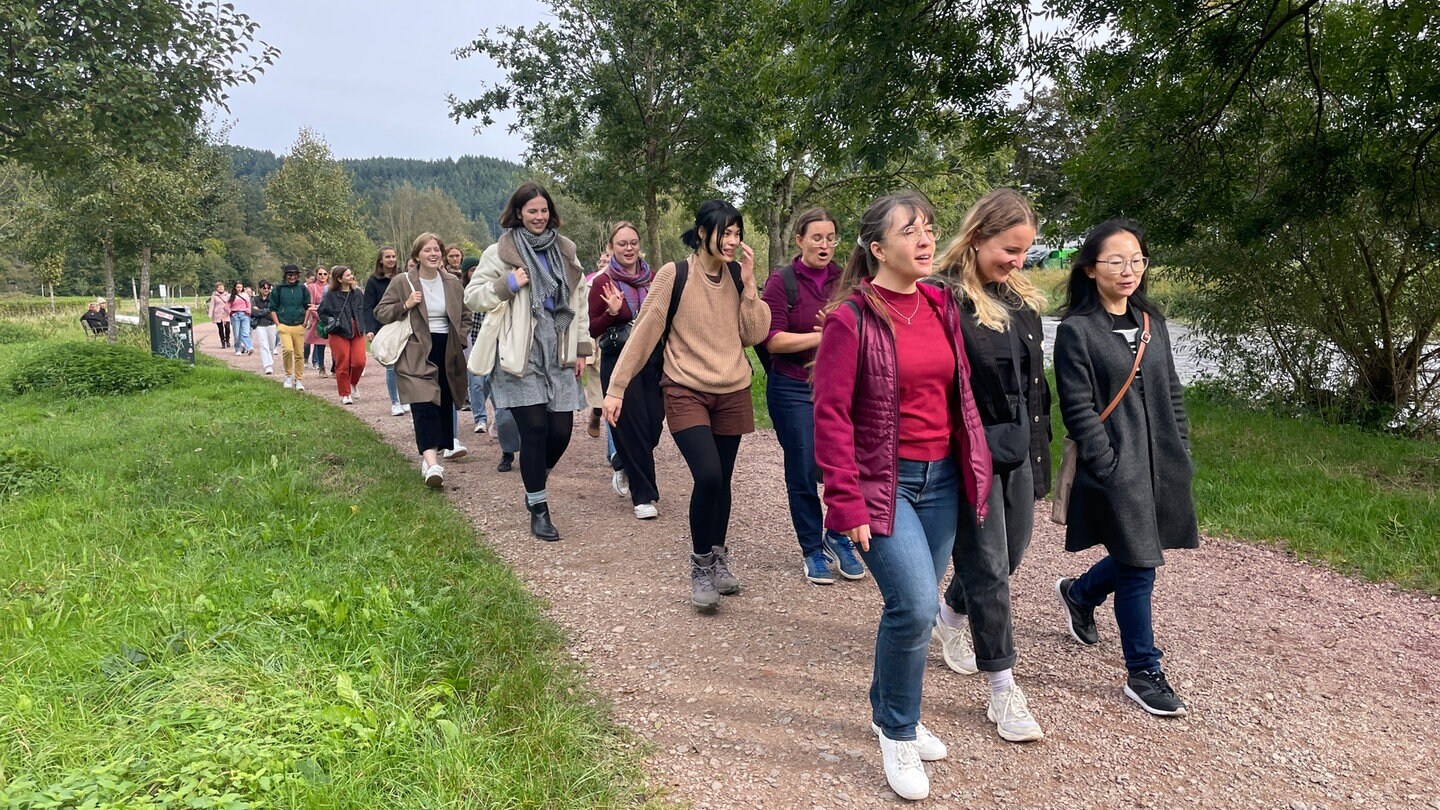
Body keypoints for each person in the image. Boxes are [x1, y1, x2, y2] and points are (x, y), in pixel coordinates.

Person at [811, 192, 991, 801]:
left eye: (929, 229)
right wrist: (846, 500)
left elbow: (957, 393)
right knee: (914, 607)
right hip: (881, 485)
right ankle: (896, 731)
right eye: (909, 230)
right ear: (876, 248)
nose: (924, 239)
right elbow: (831, 416)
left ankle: (900, 711)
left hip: (940, 480)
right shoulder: (850, 319)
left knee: (915, 608)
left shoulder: (940, 304)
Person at [1053, 218, 1198, 717]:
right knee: (1140, 564)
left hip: (1161, 463)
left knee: (1141, 551)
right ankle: (1144, 670)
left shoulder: (1151, 322)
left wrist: (1181, 447)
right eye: (1116, 260)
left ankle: (1080, 592)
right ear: (1091, 269)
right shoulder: (1077, 331)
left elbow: (1172, 392)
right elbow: (1076, 407)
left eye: (1136, 259)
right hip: (1117, 467)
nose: (1129, 269)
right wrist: (1107, 463)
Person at [602, 200, 770, 610]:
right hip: (685, 389)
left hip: (732, 388)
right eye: (725, 232)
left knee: (723, 480)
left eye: (737, 233)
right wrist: (616, 387)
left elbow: (753, 333)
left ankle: (718, 557)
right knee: (708, 475)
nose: (732, 241)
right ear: (701, 233)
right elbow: (644, 332)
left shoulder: (735, 275)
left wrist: (749, 287)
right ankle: (700, 565)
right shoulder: (673, 274)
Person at [926, 188, 1050, 743]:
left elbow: (1033, 386)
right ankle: (1003, 688)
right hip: (968, 453)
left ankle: (951, 617)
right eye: (1009, 249)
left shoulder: (1019, 297)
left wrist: (1043, 454)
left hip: (1018, 449)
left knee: (1013, 550)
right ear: (976, 238)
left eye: (1025, 250)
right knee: (990, 565)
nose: (1018, 261)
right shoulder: (942, 296)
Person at [466, 182, 591, 541]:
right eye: (532, 211)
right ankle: (539, 508)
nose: (539, 217)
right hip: (518, 348)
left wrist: (582, 349)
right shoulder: (500, 251)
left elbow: (579, 301)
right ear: (518, 213)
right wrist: (507, 284)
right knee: (534, 429)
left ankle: (535, 476)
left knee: (561, 431)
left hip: (559, 343)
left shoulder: (566, 249)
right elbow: (473, 297)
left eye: (543, 210)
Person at [760, 206, 866, 585]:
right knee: (803, 469)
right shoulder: (782, 282)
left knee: (848, 463)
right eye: (816, 237)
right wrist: (825, 335)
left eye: (830, 237)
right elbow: (773, 340)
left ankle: (837, 534)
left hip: (840, 384)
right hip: (792, 387)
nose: (824, 245)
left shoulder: (848, 279)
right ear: (800, 240)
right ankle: (811, 549)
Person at [374, 233, 470, 487]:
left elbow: (466, 314)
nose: (433, 254)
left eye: (437, 249)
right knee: (422, 405)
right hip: (416, 349)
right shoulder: (402, 281)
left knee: (441, 406)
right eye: (427, 250)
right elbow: (381, 312)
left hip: (446, 349)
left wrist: (459, 340)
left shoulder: (452, 282)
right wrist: (405, 304)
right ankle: (432, 465)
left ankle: (430, 456)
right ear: (417, 255)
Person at [588, 222, 663, 520]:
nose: (629, 248)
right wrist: (611, 313)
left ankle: (623, 461)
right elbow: (592, 327)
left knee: (654, 423)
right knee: (632, 425)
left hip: (654, 359)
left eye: (633, 243)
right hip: (619, 359)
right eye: (622, 244)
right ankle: (644, 496)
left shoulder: (655, 280)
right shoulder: (602, 282)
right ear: (611, 248)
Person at [461, 257, 521, 470]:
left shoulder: (518, 293)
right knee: (502, 407)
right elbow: (476, 330)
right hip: (492, 354)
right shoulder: (484, 296)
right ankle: (507, 452)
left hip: (520, 351)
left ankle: (532, 450)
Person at [364, 246, 408, 416]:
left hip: (402, 323)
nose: (391, 259)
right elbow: (368, 306)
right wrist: (369, 329)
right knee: (391, 365)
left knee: (405, 364)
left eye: (394, 256)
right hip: (384, 325)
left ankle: (405, 398)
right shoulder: (374, 281)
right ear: (381, 260)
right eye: (388, 257)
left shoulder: (402, 278)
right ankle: (395, 401)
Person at [317, 265, 367, 404]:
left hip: (357, 330)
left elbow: (364, 310)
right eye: (347, 275)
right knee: (342, 362)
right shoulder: (331, 295)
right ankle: (345, 394)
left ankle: (353, 382)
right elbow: (322, 312)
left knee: (359, 362)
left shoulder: (357, 293)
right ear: (339, 279)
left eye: (351, 274)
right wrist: (331, 320)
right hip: (339, 331)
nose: (351, 277)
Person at [269, 264, 310, 391]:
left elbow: (307, 306)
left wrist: (305, 322)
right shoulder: (278, 289)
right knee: (287, 350)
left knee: (299, 354)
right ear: (285, 275)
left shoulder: (302, 288)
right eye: (290, 274)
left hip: (299, 324)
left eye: (294, 274)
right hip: (284, 324)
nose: (292, 277)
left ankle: (298, 379)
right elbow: (273, 308)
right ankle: (288, 376)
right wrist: (278, 324)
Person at [304, 267, 330, 377]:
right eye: (320, 274)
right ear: (316, 275)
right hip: (319, 318)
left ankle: (335, 367)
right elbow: (310, 304)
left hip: (332, 318)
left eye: (325, 274)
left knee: (335, 343)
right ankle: (321, 366)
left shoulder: (331, 287)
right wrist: (319, 316)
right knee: (320, 344)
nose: (322, 276)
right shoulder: (312, 287)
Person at [250, 280, 277, 374]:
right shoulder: (254, 299)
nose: (266, 290)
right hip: (260, 325)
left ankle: (270, 361)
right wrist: (266, 311)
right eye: (264, 288)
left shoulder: (274, 298)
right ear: (260, 289)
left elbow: (274, 310)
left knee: (271, 345)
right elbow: (253, 311)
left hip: (271, 324)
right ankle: (268, 366)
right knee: (263, 344)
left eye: (268, 288)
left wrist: (261, 311)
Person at [228, 281, 253, 355]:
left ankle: (249, 347)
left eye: (240, 287)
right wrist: (231, 313)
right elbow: (227, 307)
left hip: (244, 315)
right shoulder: (231, 296)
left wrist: (248, 313)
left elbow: (248, 305)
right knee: (237, 334)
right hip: (235, 315)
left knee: (245, 332)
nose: (239, 289)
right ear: (235, 288)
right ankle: (238, 349)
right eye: (238, 287)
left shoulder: (245, 295)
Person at [207, 282, 231, 349]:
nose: (221, 288)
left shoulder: (227, 295)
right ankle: (222, 342)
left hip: (226, 314)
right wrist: (210, 314)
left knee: (227, 328)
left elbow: (230, 304)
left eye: (222, 287)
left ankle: (227, 340)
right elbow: (212, 305)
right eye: (219, 287)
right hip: (218, 314)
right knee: (220, 329)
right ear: (217, 288)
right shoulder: (214, 296)